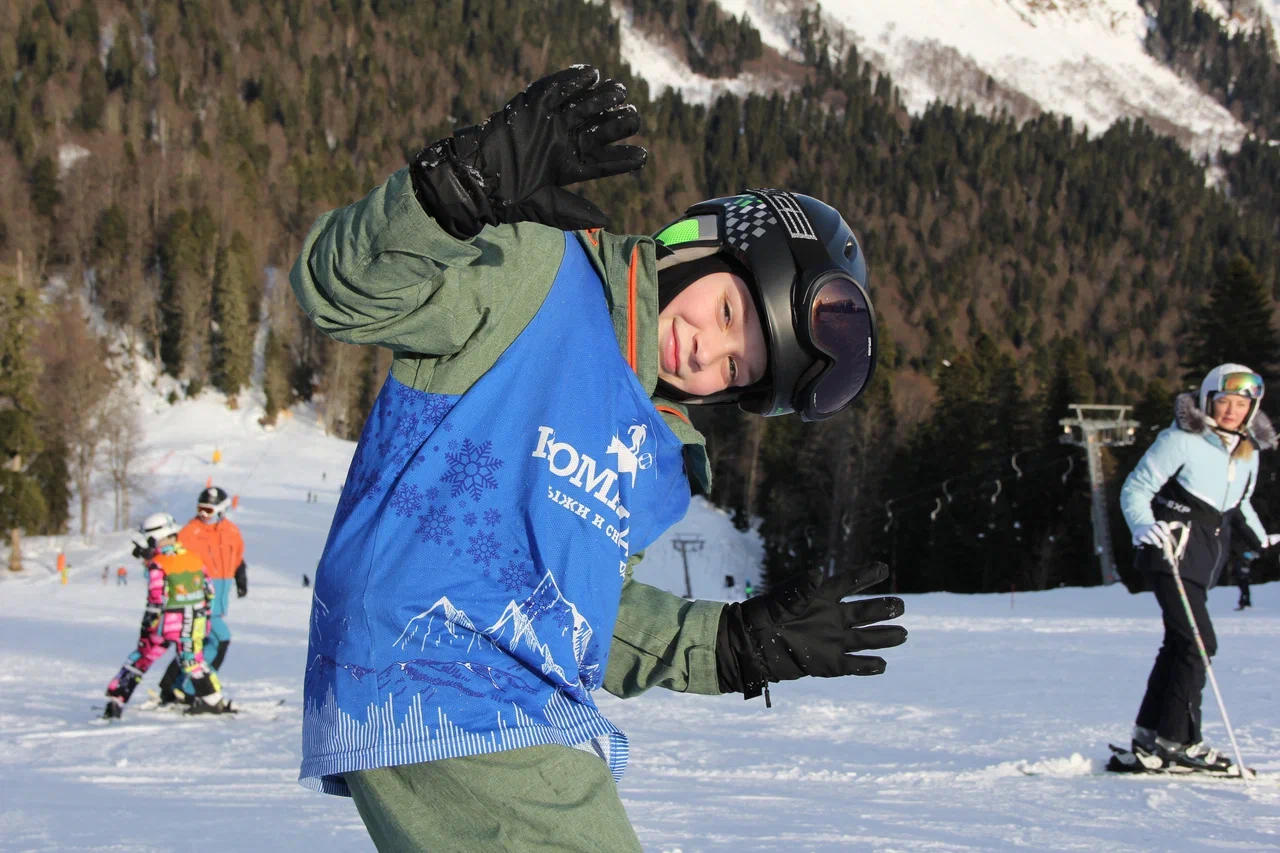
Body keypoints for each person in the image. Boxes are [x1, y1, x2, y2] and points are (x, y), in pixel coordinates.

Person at [290, 66, 906, 850]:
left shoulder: (658, 460)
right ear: (699, 243)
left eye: (735, 366)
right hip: (441, 665)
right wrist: (451, 194)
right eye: (726, 311)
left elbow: (581, 617)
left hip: (499, 695)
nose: (706, 350)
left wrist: (730, 645)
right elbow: (337, 290)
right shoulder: (539, 274)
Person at [1119, 364, 1278, 772]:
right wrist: (1143, 525)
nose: (1232, 411)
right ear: (1208, 400)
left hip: (1205, 557)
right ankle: (1180, 740)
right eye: (1224, 401)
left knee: (1179, 644)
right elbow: (1136, 488)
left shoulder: (1247, 452)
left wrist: (1261, 539)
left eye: (1241, 404)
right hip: (1170, 550)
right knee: (1198, 643)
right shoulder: (1180, 440)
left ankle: (1150, 734)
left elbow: (1240, 504)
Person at [103, 513, 235, 719]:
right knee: (193, 661)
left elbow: (156, 597)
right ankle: (213, 700)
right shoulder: (193, 559)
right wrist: (203, 618)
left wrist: (148, 623)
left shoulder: (159, 564)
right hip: (193, 622)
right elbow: (209, 591)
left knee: (143, 656)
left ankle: (116, 700)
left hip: (166, 623)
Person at [156, 486, 247, 706]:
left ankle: (171, 687)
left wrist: (240, 575)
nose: (203, 514)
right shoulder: (189, 532)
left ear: (222, 509)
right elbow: (171, 560)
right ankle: (194, 689)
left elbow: (237, 556)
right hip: (196, 598)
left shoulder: (231, 531)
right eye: (200, 509)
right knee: (219, 639)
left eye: (209, 510)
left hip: (219, 599)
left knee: (195, 645)